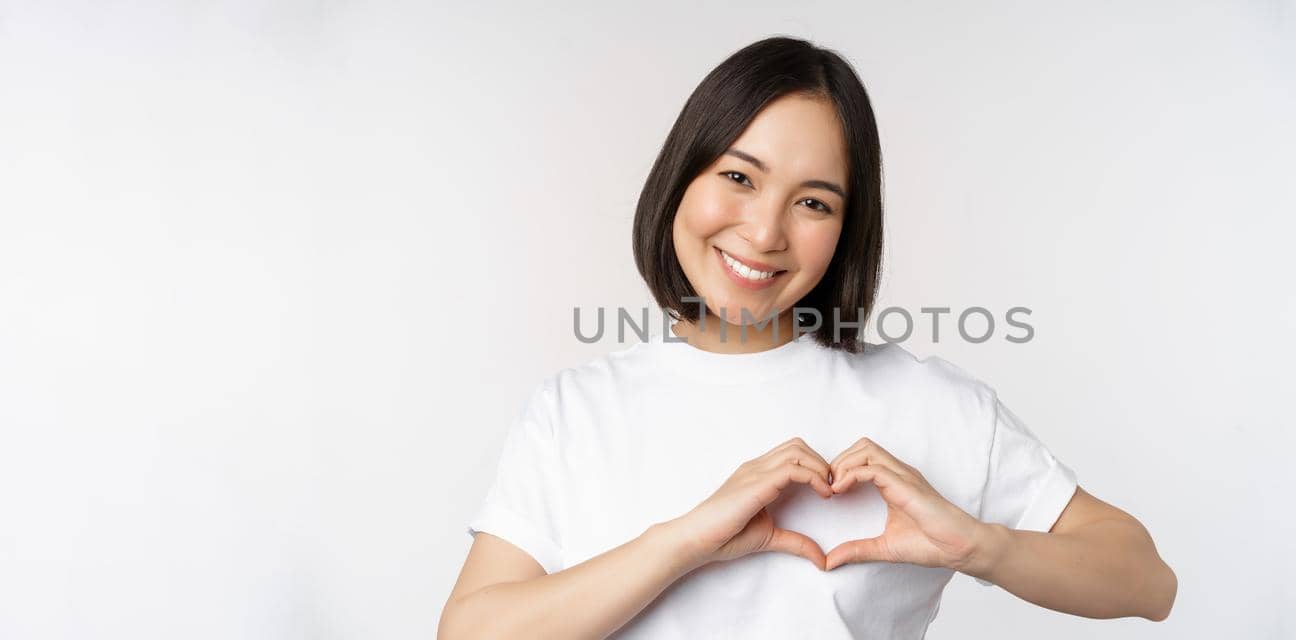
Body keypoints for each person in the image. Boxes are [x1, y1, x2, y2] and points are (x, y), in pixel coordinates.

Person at [437, 36, 1176, 639]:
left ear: (847, 231)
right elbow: (468, 632)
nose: (764, 233)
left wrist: (981, 546)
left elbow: (1148, 581)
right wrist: (681, 543)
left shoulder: (927, 404)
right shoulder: (576, 411)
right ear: (681, 180)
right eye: (739, 176)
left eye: (813, 202)